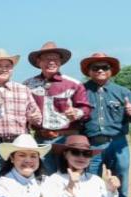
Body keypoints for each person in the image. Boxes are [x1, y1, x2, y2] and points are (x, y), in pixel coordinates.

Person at [79, 52, 131, 197]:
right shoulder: (81, 91)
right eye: (95, 67)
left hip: (118, 143)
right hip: (92, 146)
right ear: (89, 71)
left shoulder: (123, 92)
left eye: (104, 67)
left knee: (120, 185)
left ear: (111, 71)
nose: (100, 70)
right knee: (91, 187)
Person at [24, 41, 90, 172]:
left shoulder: (74, 84)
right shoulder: (27, 85)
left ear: (61, 62)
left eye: (55, 59)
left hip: (68, 139)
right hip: (41, 138)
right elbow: (22, 110)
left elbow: (86, 109)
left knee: (71, 175)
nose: (51, 62)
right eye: (47, 59)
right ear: (38, 62)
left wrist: (77, 113)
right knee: (46, 178)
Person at [0, 49, 42, 185]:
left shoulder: (23, 89)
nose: (4, 69)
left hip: (19, 144)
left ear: (12, 69)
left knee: (22, 180)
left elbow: (37, 115)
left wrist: (34, 117)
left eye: (7, 66)